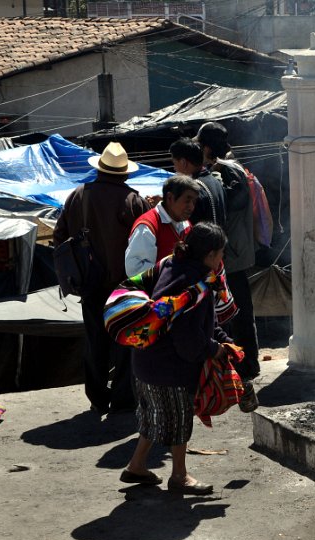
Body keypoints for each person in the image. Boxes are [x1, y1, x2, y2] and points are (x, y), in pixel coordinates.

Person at [120, 222, 234, 495]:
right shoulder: (194, 283)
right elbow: (189, 339)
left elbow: (201, 323)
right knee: (179, 419)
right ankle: (179, 476)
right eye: (221, 254)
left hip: (145, 361)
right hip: (169, 368)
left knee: (153, 416)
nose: (222, 260)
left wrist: (223, 340)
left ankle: (136, 465)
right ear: (210, 255)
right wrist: (215, 350)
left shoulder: (172, 264)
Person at [54, 142, 146, 415]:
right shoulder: (134, 200)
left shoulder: (78, 196)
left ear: (100, 169)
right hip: (125, 286)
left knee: (95, 343)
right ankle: (123, 399)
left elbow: (59, 238)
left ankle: (97, 398)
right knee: (125, 342)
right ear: (125, 173)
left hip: (89, 284)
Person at [194, 122, 261, 381]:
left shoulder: (227, 169)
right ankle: (242, 362)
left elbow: (237, 199)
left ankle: (247, 364)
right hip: (230, 254)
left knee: (238, 312)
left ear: (206, 148)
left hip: (232, 255)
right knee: (231, 313)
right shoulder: (222, 169)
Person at [124, 175, 199, 277]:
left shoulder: (186, 225)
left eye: (194, 202)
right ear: (170, 198)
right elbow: (135, 270)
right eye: (187, 201)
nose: (191, 207)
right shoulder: (147, 227)